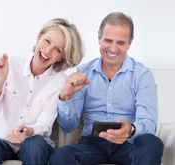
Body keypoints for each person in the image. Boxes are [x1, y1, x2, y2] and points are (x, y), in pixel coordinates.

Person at [49, 12, 164, 165]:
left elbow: (149, 123)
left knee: (151, 142)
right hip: (93, 145)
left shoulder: (142, 75)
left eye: (121, 43)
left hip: (128, 144)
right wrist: (66, 97)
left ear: (130, 43)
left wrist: (130, 130)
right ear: (99, 38)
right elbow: (68, 126)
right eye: (108, 40)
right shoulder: (83, 73)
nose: (113, 48)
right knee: (60, 156)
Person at [0, 18, 85, 165]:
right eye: (47, 41)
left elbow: (45, 123)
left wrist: (26, 131)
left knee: (34, 144)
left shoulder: (60, 82)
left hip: (34, 143)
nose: (48, 50)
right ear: (39, 37)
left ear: (62, 57)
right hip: (2, 140)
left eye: (57, 49)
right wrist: (0, 80)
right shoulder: (11, 65)